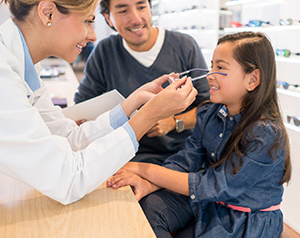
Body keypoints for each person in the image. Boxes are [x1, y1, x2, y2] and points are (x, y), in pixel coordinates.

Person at [0, 0, 198, 205]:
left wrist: (134, 102)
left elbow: (70, 139)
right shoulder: (4, 74)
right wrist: (147, 115)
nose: (93, 36)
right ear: (47, 12)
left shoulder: (24, 67)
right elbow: (67, 179)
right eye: (87, 21)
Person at [107, 32, 292, 238]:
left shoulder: (265, 133)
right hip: (211, 205)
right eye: (211, 66)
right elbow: (186, 161)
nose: (209, 75)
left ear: (252, 79)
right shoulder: (209, 114)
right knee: (151, 206)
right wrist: (149, 184)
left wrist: (145, 170)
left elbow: (214, 186)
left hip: (243, 224)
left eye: (220, 68)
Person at [74, 0, 210, 165]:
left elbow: (209, 107)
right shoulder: (105, 51)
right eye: (123, 11)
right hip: (123, 155)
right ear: (108, 18)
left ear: (150, 8)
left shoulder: (184, 46)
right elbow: (85, 107)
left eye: (141, 6)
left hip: (180, 156)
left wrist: (172, 123)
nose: (136, 18)